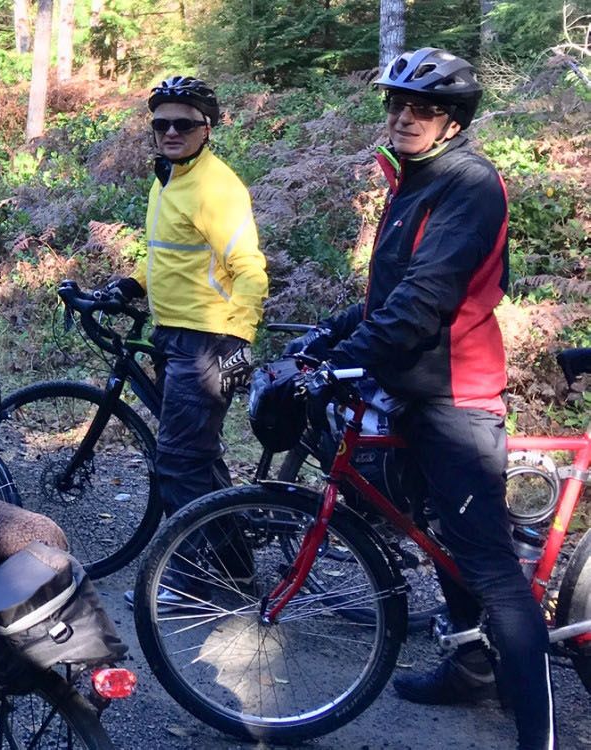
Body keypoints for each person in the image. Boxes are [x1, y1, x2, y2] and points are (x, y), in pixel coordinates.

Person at [288, 48, 552, 750]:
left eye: (424, 108)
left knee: (493, 571)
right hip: (411, 385)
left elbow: (425, 301)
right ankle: (471, 667)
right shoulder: (417, 177)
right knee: (436, 540)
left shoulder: (468, 185)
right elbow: (391, 291)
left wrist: (344, 361)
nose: (405, 116)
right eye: (396, 104)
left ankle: (541, 736)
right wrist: (329, 334)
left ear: (453, 120)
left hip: (454, 398)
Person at [102, 76, 268, 607]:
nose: (171, 131)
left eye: (184, 123)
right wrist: (134, 283)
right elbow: (172, 256)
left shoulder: (216, 188)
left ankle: (205, 584)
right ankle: (234, 572)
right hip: (175, 334)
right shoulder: (168, 178)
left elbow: (250, 270)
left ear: (206, 128)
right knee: (197, 459)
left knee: (178, 462)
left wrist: (239, 340)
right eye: (161, 123)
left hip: (207, 340)